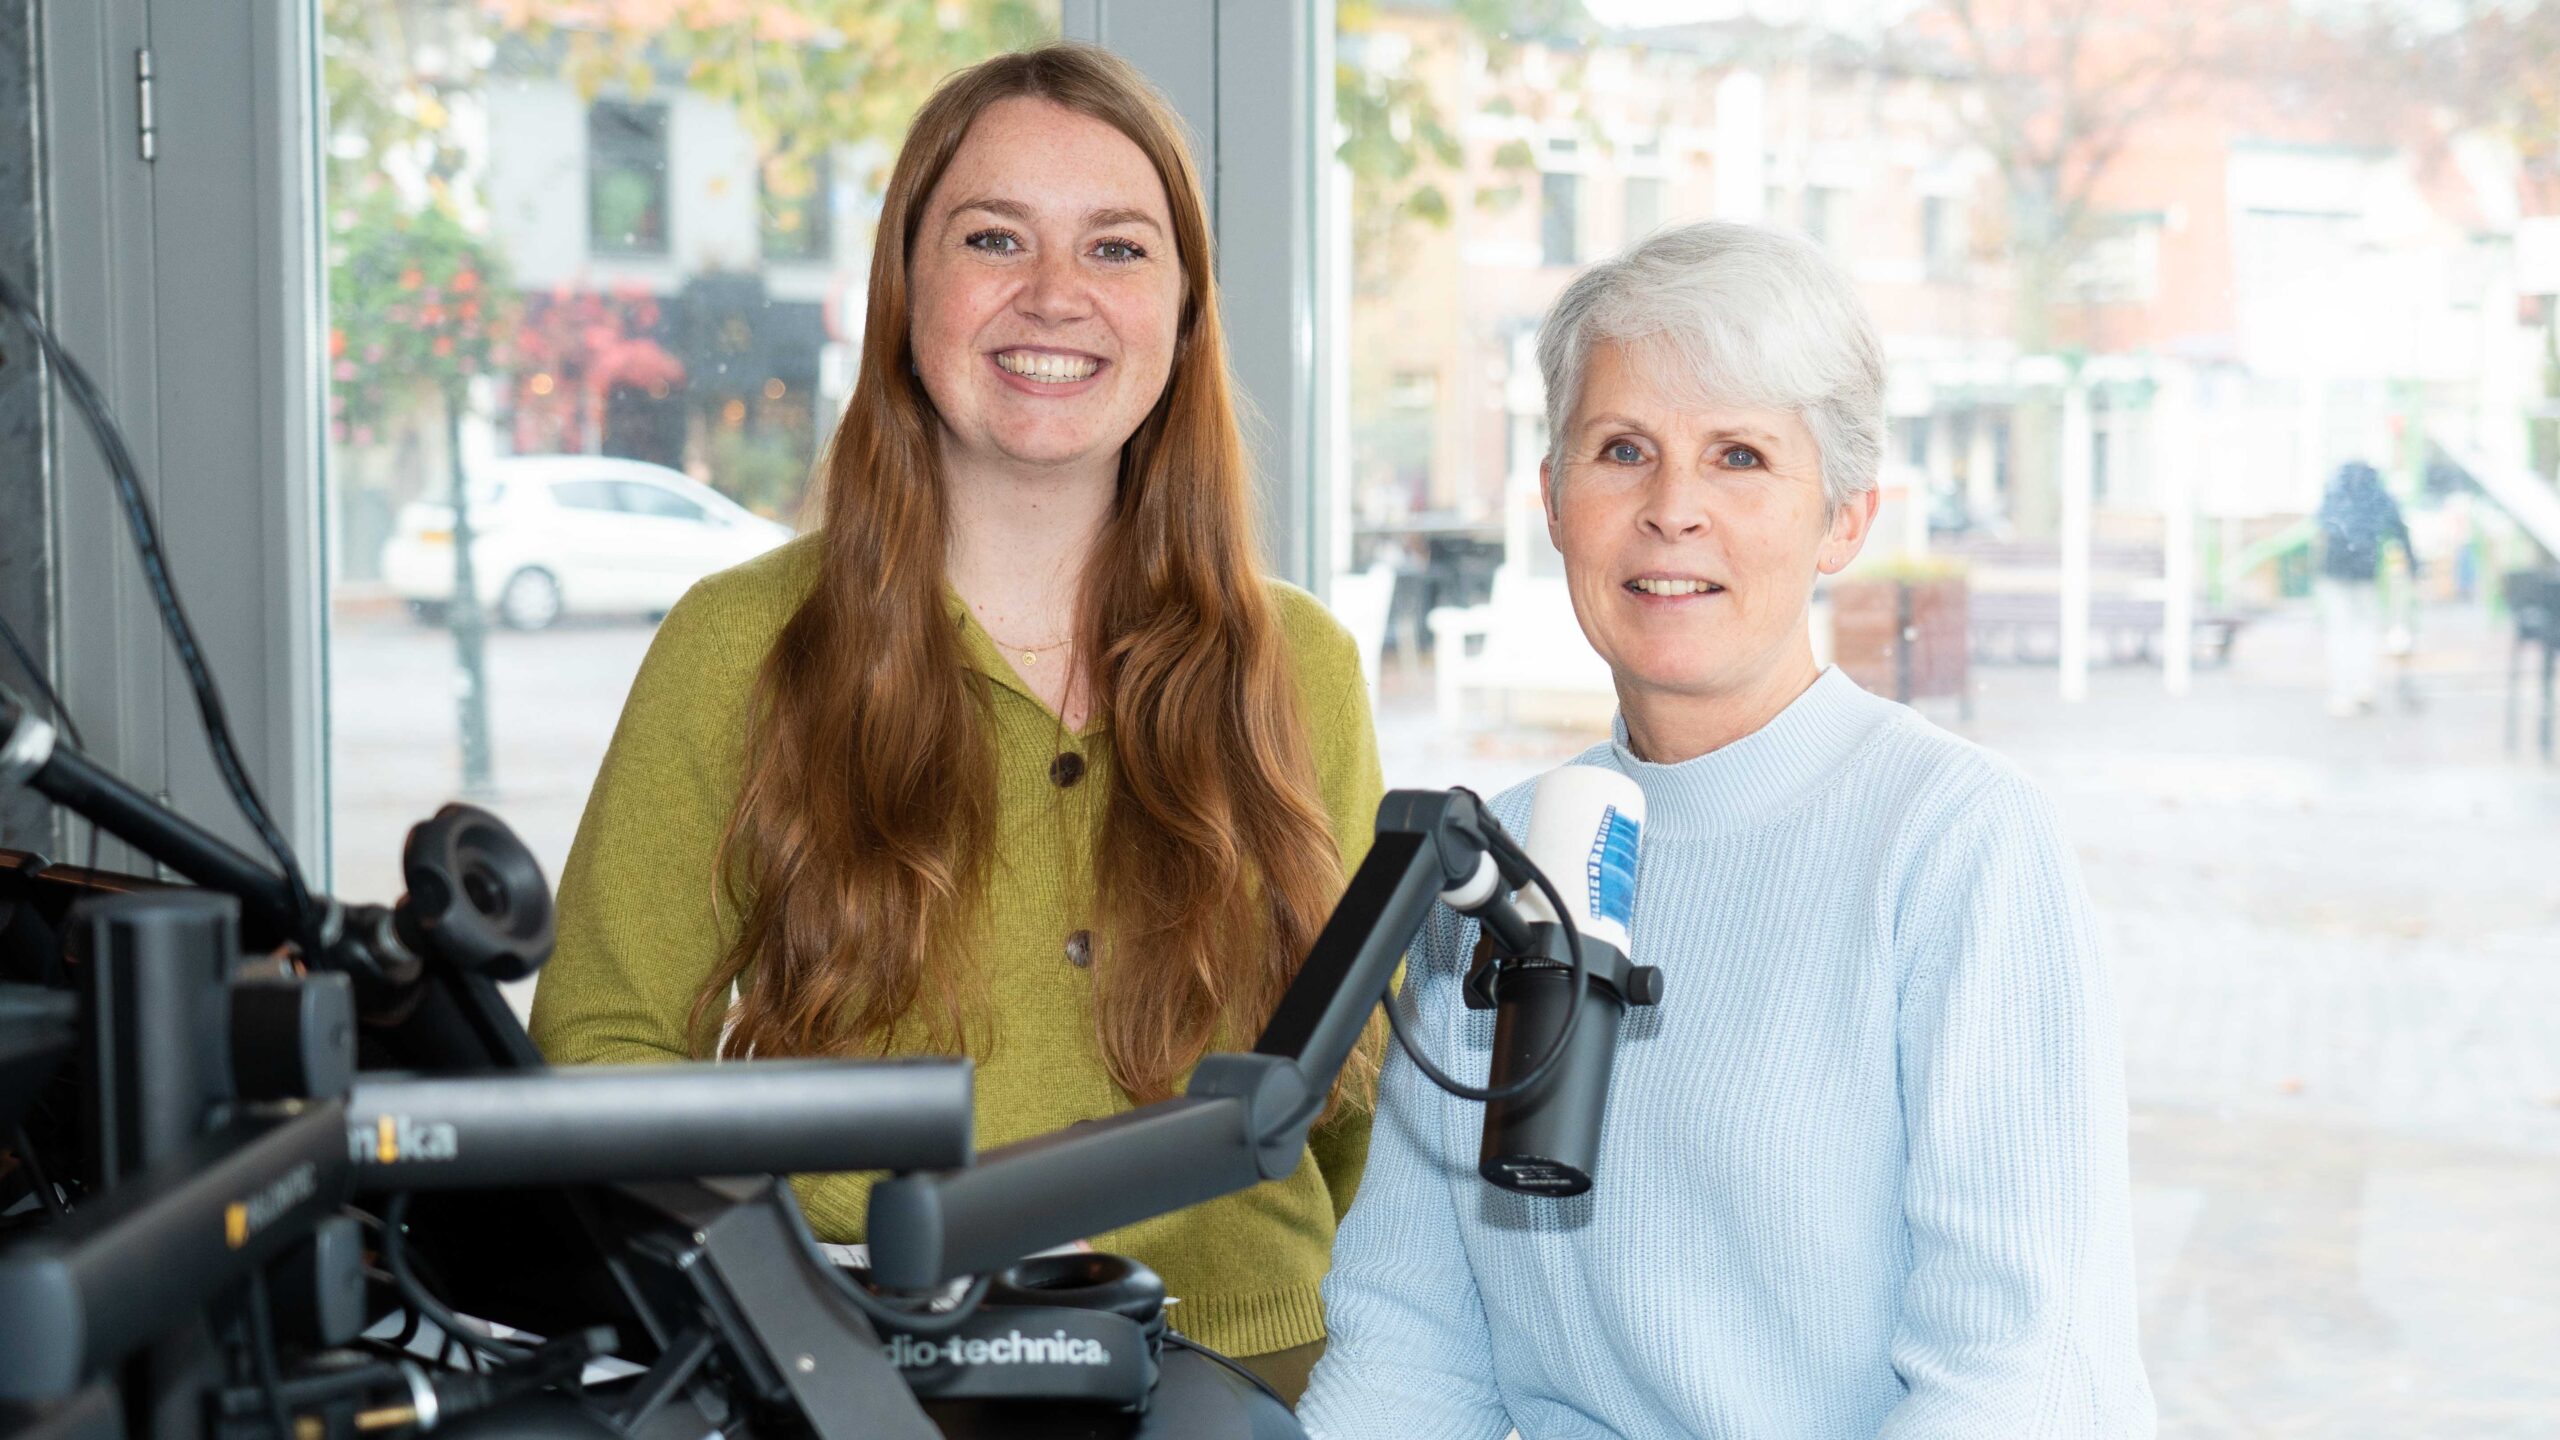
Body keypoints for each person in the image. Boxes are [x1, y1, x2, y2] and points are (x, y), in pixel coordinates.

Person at [529, 44, 1384, 1401]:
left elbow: (1347, 1106)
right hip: (861, 1371)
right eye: (995, 238)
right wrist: (857, 1233)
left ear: (1185, 310)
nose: (1056, 296)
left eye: (1118, 248)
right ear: (905, 286)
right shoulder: (737, 644)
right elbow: (601, 1051)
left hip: (1250, 1376)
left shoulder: (1305, 667)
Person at [1298, 222, 2154, 1438]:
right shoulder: (1489, 861)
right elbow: (1411, 1354)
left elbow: (2010, 1384)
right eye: (1622, 450)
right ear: (1551, 498)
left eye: (1740, 456)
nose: (1672, 510)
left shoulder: (1956, 844)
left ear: (1844, 518)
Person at [2314, 459, 2416, 717]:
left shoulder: (2336, 493)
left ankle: (2342, 693)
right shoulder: (2377, 495)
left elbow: (2322, 526)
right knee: (2365, 629)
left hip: (2334, 568)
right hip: (2364, 569)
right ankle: (2364, 687)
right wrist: (2413, 566)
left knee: (2340, 631)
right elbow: (2399, 529)